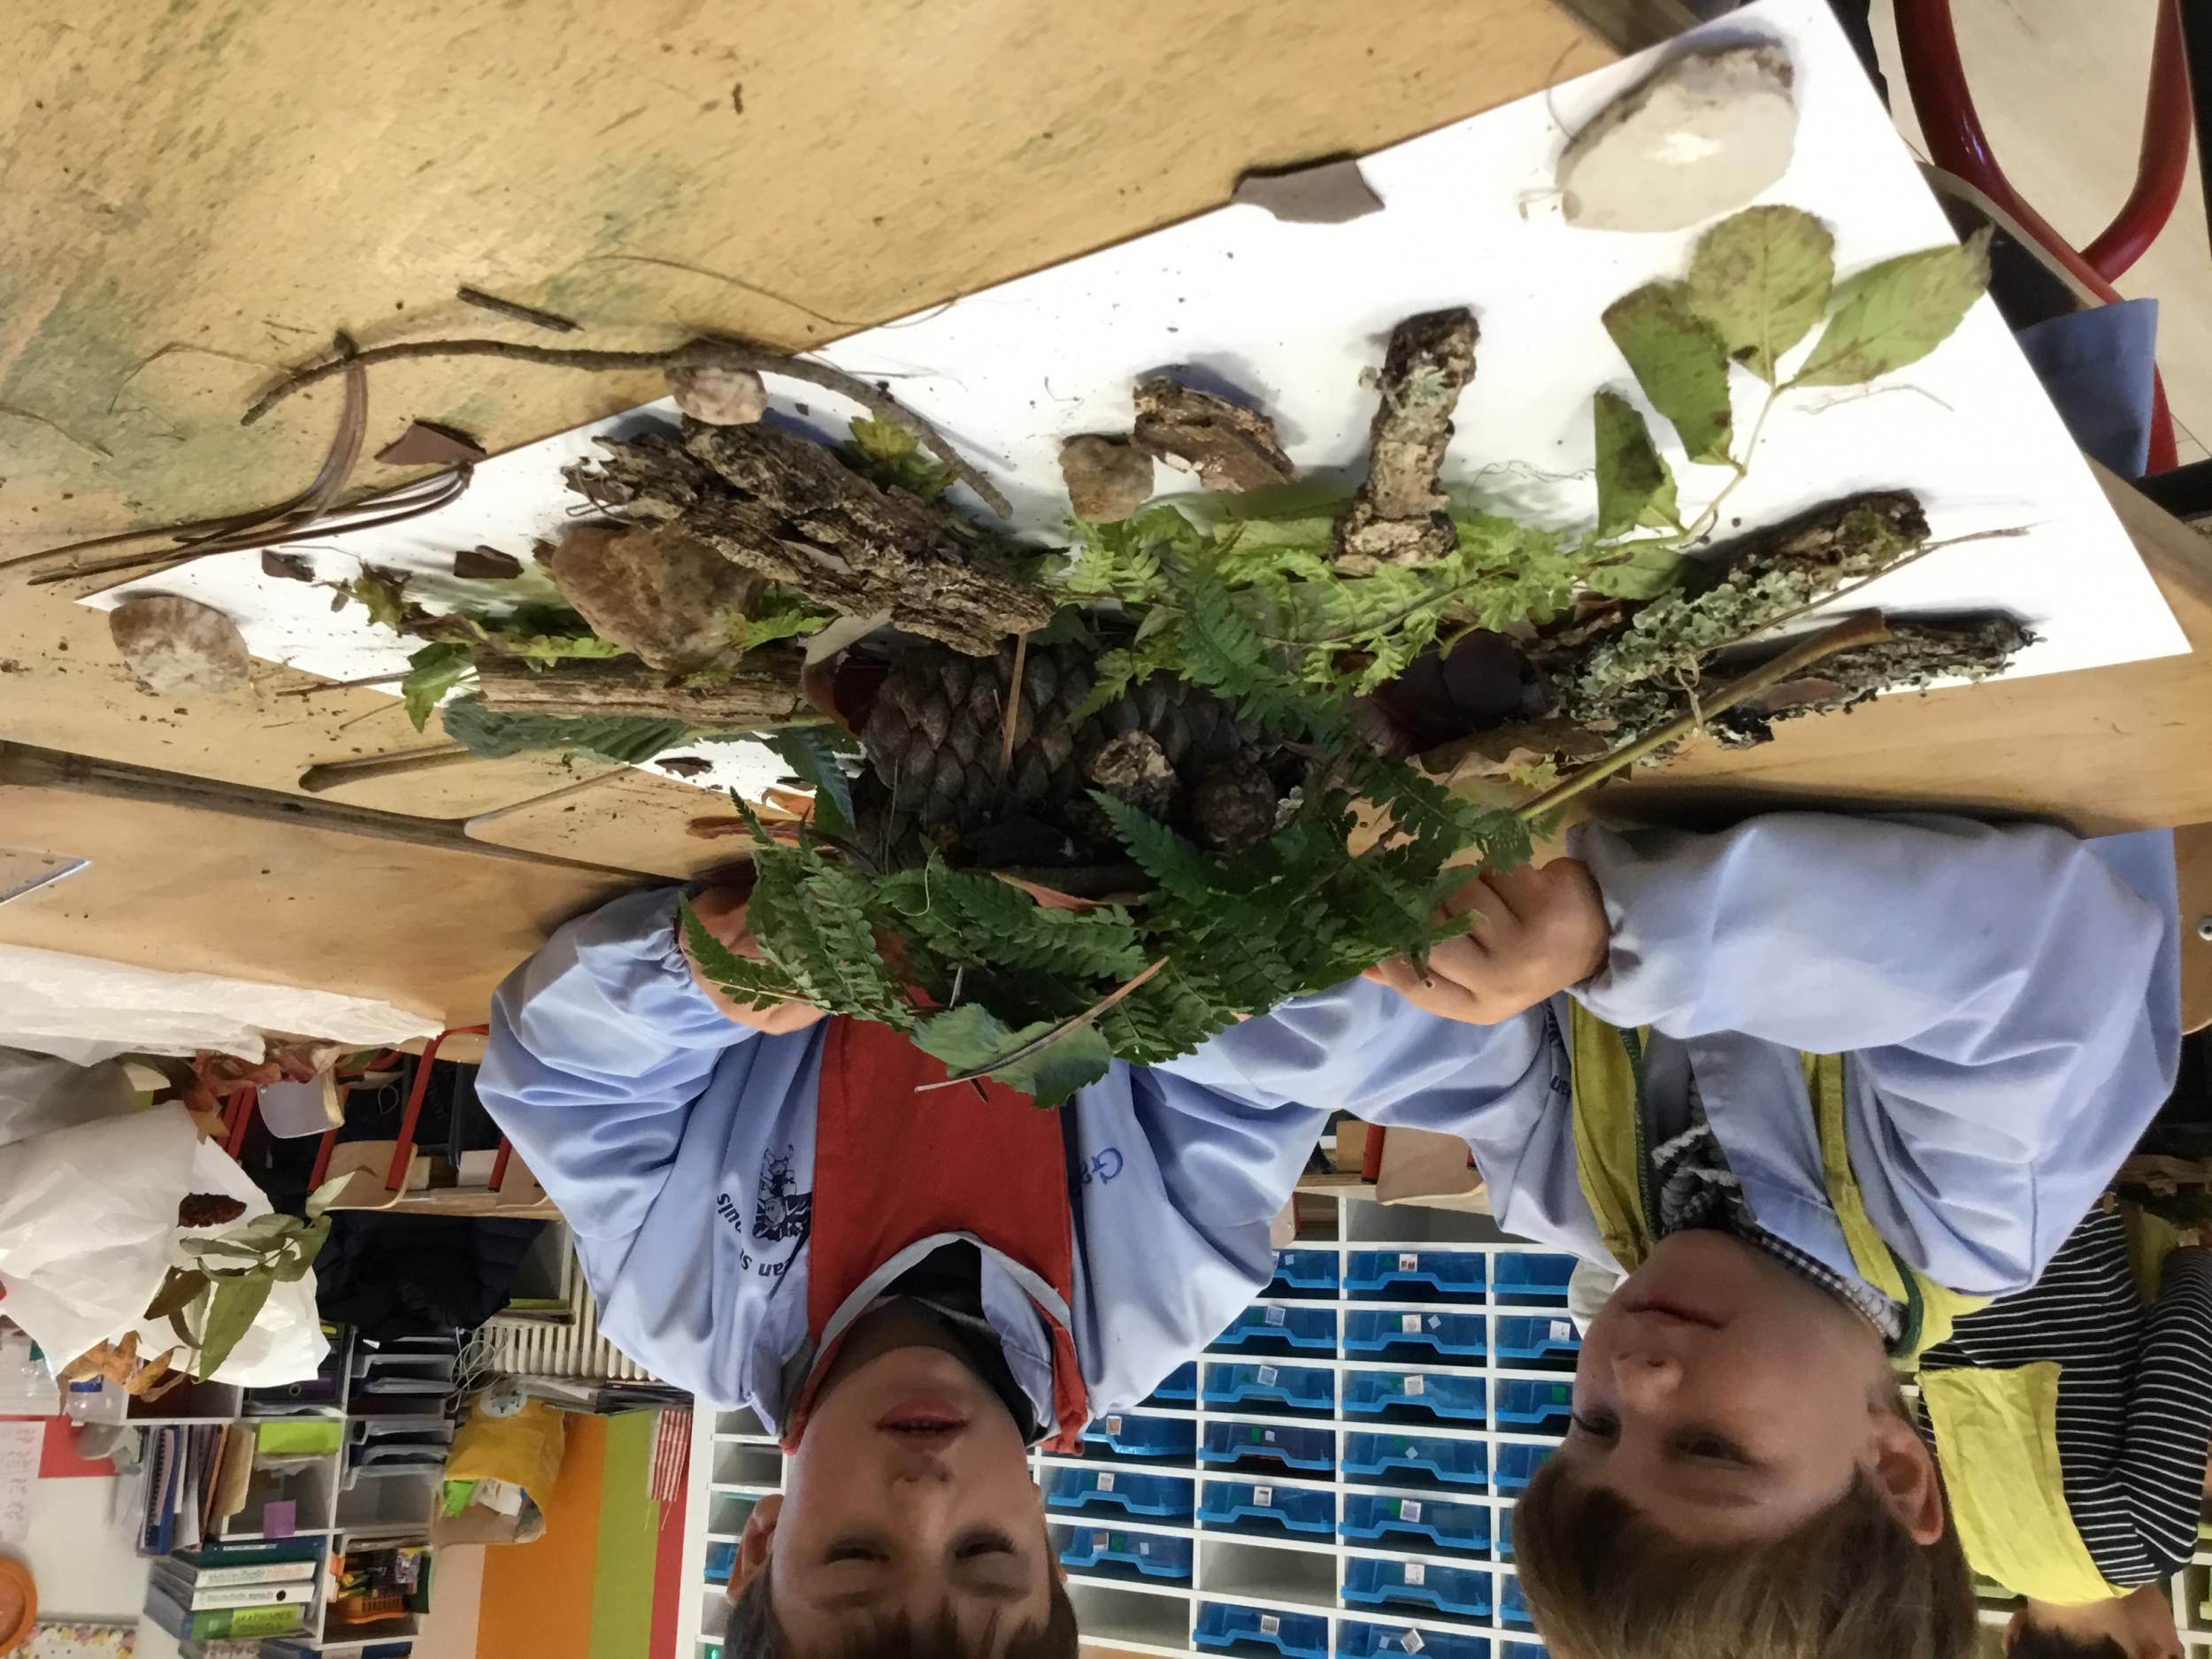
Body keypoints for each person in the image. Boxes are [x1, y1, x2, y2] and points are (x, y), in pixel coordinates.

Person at [1159, 813, 2182, 1659]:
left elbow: (1421, 1050)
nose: (1635, 1377)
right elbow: (2030, 951)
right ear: (1893, 1470)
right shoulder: (1965, 1219)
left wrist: (1214, 1001)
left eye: (1593, 1429)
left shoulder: (1590, 1206)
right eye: (1707, 1449)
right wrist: (1616, 939)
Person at [472, 884, 1335, 1659]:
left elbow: (561, 1081)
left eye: (856, 1553)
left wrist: (692, 981)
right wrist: (1182, 966)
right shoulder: (1165, 1293)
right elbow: (1270, 1062)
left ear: (760, 1546)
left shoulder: (677, 1303)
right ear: (1048, 1549)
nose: (924, 1493)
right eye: (985, 1551)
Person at [1918, 1205, 2212, 1659]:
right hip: (1936, 1247)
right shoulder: (1969, 1546)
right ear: (2013, 1633)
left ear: (2159, 1655)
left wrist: (2194, 1261)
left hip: (2058, 1227)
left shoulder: (2146, 1545)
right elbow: (1934, 1403)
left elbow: (2180, 1355)